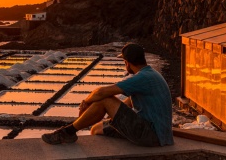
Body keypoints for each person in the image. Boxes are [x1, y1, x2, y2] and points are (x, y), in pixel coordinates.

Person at [41, 43, 174, 147]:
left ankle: (67, 132)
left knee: (105, 100)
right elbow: (130, 102)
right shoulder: (151, 74)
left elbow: (101, 92)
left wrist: (86, 102)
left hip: (152, 136)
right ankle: (72, 133)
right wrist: (113, 115)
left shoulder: (143, 77)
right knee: (97, 128)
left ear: (127, 62)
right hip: (157, 134)